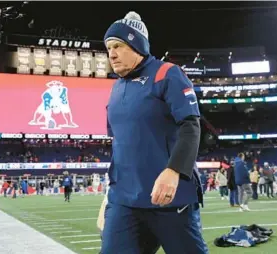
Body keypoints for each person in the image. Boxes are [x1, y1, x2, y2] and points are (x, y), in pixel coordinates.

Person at [102, 11, 208, 254]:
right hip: (124, 201)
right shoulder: (116, 88)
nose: (112, 54)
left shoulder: (167, 73)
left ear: (136, 44)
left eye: (118, 45)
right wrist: (109, 193)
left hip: (170, 200)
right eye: (108, 49)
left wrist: (174, 171)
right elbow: (120, 143)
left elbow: (190, 125)